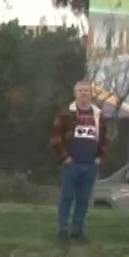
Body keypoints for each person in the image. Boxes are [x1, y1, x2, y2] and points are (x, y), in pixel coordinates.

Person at [49, 81, 108, 243]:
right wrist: (64, 157)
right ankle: (63, 229)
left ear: (91, 94)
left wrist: (100, 158)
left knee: (84, 198)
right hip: (71, 164)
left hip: (90, 164)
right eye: (80, 91)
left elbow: (105, 139)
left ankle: (78, 229)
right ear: (75, 94)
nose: (83, 93)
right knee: (67, 196)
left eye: (86, 91)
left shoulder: (98, 115)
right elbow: (55, 138)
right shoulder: (66, 114)